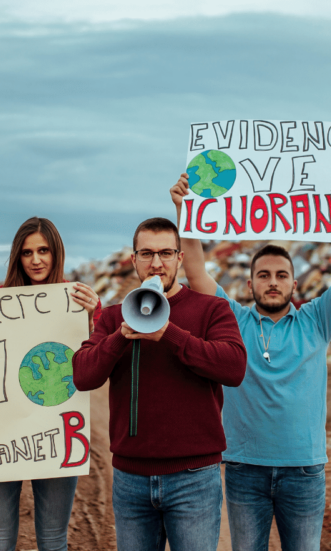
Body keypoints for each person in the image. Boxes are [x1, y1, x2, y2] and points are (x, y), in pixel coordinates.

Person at [171, 174, 331, 551]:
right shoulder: (232, 319)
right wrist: (186, 212)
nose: (272, 282)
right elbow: (196, 272)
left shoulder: (317, 319)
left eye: (281, 276)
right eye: (263, 276)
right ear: (250, 285)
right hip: (245, 470)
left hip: (305, 472)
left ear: (295, 284)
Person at [72, 217, 248, 551]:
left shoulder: (212, 309)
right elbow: (82, 376)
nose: (156, 264)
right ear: (134, 259)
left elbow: (234, 367)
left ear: (180, 258)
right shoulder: (113, 316)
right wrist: (119, 337)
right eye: (147, 254)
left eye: (166, 253)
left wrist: (169, 333)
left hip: (194, 477)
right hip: (130, 480)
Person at [0, 216, 101, 551]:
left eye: (43, 250)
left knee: (53, 541)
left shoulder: (79, 302)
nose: (36, 259)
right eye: (27, 253)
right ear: (17, 257)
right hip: (0, 434)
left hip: (54, 433)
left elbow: (98, 362)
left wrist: (93, 317)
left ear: (57, 253)